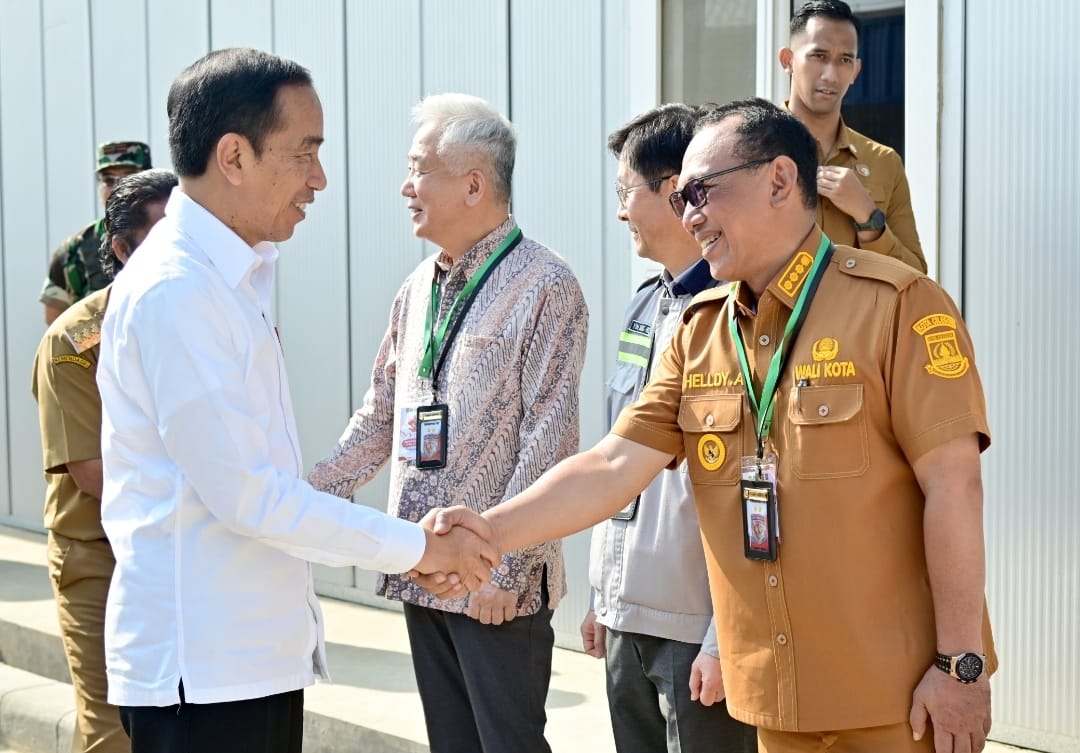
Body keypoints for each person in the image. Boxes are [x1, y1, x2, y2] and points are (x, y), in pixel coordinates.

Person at [429, 98, 997, 753]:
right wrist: (486, 531)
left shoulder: (897, 305)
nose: (687, 213)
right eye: (679, 197)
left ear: (780, 180)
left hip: (894, 703)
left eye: (701, 192)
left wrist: (961, 665)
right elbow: (614, 467)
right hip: (774, 702)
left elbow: (955, 488)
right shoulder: (699, 331)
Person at [96, 48, 497, 753]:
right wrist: (415, 547)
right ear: (233, 156)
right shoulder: (179, 292)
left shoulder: (228, 279)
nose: (319, 179)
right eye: (304, 152)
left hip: (245, 664)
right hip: (204, 677)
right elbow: (249, 493)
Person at [309, 93, 588, 753]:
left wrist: (507, 567)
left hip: (495, 580)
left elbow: (549, 440)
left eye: (418, 169)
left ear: (473, 184)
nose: (405, 187)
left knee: (508, 744)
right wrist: (307, 496)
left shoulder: (546, 285)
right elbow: (381, 412)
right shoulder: (417, 287)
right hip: (422, 563)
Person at [582, 103, 755, 753]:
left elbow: (755, 485)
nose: (621, 211)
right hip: (631, 612)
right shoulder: (644, 306)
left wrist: (722, 632)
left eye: (626, 192)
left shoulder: (741, 312)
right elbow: (616, 453)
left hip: (696, 623)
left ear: (672, 189)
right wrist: (604, 591)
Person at [31, 168, 177, 753]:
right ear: (122, 249)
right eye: (164, 234)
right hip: (99, 558)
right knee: (111, 730)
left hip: (176, 551)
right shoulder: (73, 341)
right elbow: (92, 473)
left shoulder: (200, 321)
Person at [780, 0, 927, 272]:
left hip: (861, 316)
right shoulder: (751, 150)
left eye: (844, 60)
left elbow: (915, 275)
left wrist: (868, 218)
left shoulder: (884, 162)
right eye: (818, 56)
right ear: (787, 61)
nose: (831, 75)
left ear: (856, 71)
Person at [40, 140, 152, 324]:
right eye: (108, 180)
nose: (117, 188)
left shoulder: (170, 238)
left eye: (128, 178)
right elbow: (57, 325)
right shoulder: (74, 251)